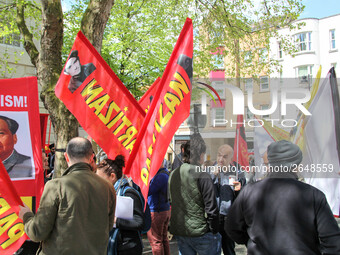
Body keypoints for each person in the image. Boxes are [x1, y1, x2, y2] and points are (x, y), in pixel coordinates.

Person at [225, 140, 340, 255]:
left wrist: (252, 241)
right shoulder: (314, 195)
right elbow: (332, 242)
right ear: (296, 166)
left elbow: (232, 227)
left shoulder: (249, 191)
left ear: (270, 164)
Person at [18, 137, 116, 255]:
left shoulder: (56, 186)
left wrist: (26, 215)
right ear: (91, 158)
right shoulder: (108, 187)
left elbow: (37, 232)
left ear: (66, 157)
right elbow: (108, 227)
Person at [168, 133, 220, 255]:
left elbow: (171, 201)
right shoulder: (202, 175)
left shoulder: (173, 174)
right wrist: (214, 230)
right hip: (201, 233)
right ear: (201, 155)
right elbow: (212, 209)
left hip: (181, 232)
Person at [96, 155, 144, 255]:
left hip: (128, 247)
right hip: (115, 244)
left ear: (112, 176)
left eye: (100, 178)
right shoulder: (109, 192)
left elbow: (139, 222)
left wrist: (116, 220)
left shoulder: (129, 193)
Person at [211, 144, 246, 255]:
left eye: (225, 157)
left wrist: (238, 190)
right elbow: (203, 192)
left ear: (231, 158)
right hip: (214, 216)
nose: (221, 159)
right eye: (219, 155)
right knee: (213, 249)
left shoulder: (237, 173)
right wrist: (212, 177)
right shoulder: (210, 171)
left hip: (228, 217)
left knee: (229, 249)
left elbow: (244, 197)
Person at [147, 159, 171, 255]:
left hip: (157, 211)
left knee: (156, 241)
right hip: (164, 209)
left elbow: (148, 190)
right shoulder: (165, 174)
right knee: (163, 239)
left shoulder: (160, 176)